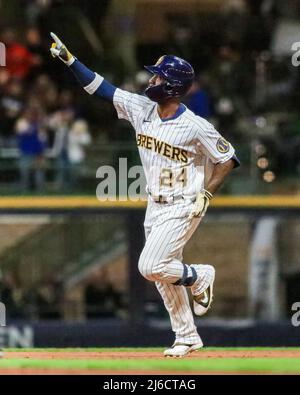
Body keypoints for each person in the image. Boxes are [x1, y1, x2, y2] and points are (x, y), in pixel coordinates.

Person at [50, 33, 240, 357]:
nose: (151, 79)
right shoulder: (142, 108)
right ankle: (187, 337)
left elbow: (228, 158)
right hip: (155, 203)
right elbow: (102, 89)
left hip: (184, 203)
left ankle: (199, 276)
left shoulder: (194, 126)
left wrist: (206, 195)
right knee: (164, 277)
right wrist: (71, 61)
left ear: (172, 86)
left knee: (150, 265)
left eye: (157, 75)